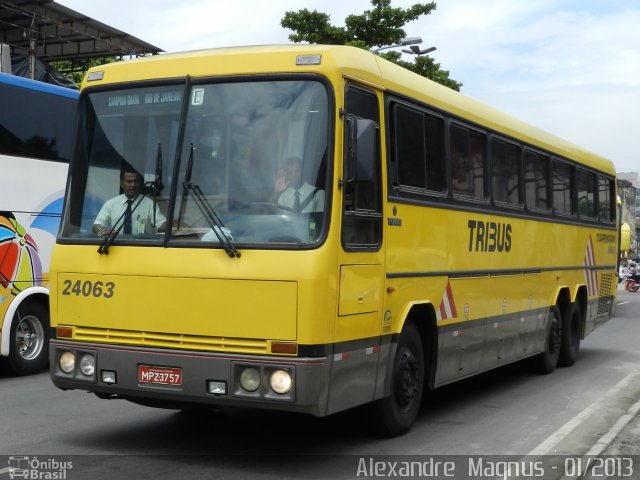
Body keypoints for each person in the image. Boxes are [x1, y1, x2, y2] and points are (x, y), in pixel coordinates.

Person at [93, 166, 167, 235]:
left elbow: (161, 225)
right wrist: (101, 230)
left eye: (135, 181)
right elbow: (96, 226)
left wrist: (170, 224)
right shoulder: (111, 204)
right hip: (116, 246)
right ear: (122, 184)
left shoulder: (150, 204)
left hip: (142, 247)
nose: (133, 185)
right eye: (129, 181)